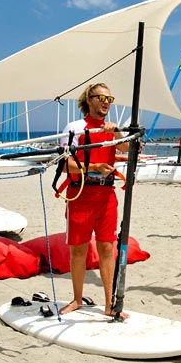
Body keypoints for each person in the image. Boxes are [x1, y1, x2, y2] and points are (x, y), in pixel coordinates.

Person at [59, 82, 129, 317]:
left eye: (109, 99)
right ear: (89, 100)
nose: (105, 103)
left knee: (107, 248)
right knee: (79, 250)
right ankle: (77, 300)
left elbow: (128, 147)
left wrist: (116, 131)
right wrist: (95, 166)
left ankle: (110, 305)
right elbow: (66, 163)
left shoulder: (111, 128)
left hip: (106, 195)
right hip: (81, 194)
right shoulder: (76, 127)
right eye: (101, 98)